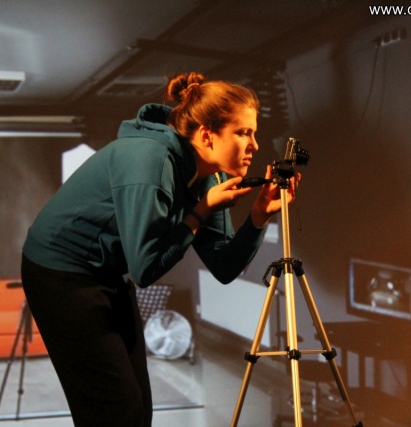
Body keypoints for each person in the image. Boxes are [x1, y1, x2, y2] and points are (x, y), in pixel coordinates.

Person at [20, 71, 299, 427]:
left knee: (138, 406)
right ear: (207, 135)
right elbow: (145, 270)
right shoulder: (150, 160)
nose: (254, 145)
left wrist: (258, 217)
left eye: (253, 133)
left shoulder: (209, 176)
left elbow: (225, 267)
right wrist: (200, 212)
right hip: (58, 273)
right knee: (114, 408)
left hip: (106, 272)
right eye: (243, 132)